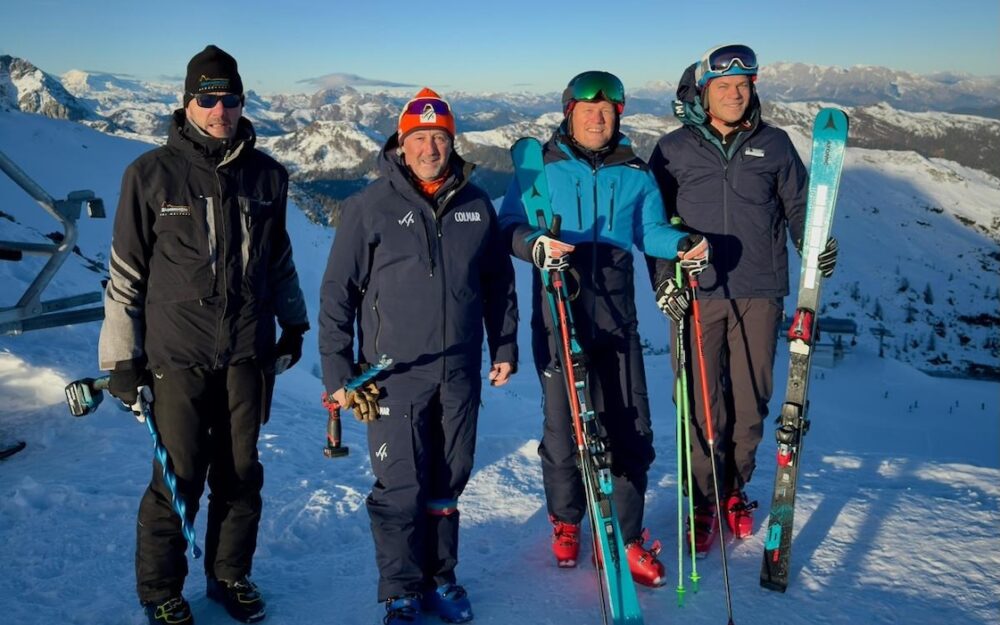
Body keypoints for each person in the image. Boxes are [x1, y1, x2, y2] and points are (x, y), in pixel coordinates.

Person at [99, 44, 309, 624]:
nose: (221, 110)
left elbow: (280, 260)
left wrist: (293, 323)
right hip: (177, 356)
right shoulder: (150, 175)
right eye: (208, 98)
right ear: (188, 102)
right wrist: (122, 360)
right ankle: (161, 592)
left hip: (246, 353)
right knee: (179, 477)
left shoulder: (268, 176)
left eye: (231, 98)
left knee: (241, 473)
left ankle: (230, 576)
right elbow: (125, 276)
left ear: (243, 102)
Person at [498, 71, 708, 588]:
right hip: (557, 306)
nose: (597, 117)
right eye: (587, 108)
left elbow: (650, 230)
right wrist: (534, 245)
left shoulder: (636, 173)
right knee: (564, 430)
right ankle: (567, 522)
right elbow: (509, 225)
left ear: (619, 115)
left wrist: (681, 245)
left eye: (607, 109)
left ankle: (627, 537)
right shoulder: (539, 169)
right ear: (568, 112)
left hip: (616, 313)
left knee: (628, 424)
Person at [318, 87, 519, 625]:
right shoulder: (369, 206)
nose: (430, 147)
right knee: (401, 485)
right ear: (400, 144)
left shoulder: (476, 204)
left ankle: (440, 576)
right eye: (419, 138)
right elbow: (338, 292)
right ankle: (401, 589)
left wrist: (503, 345)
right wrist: (339, 372)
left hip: (459, 368)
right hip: (392, 375)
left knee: (449, 477)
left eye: (439, 137)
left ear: (452, 142)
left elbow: (498, 282)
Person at [647, 44, 838, 557]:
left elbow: (800, 207)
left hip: (759, 290)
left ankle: (734, 490)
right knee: (700, 403)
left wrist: (814, 244)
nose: (735, 93)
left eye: (744, 84)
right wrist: (665, 278)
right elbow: (652, 221)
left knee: (751, 402)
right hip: (697, 292)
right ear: (702, 91)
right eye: (724, 85)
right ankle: (702, 500)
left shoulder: (774, 145)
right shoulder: (671, 150)